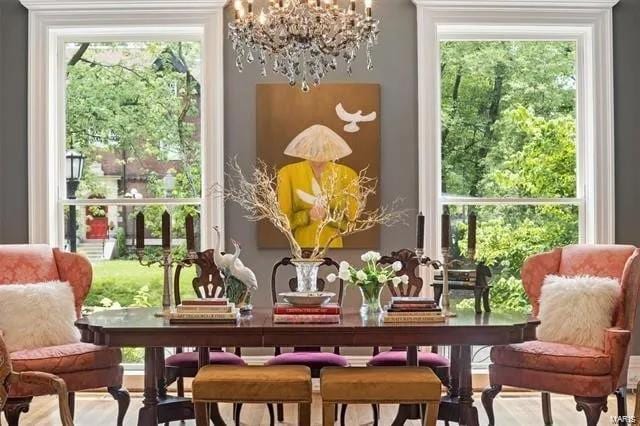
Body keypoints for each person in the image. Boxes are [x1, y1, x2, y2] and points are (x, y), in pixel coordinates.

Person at [277, 124, 359, 249]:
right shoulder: (287, 173)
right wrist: (307, 215)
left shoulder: (348, 175)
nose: (319, 151)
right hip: (301, 248)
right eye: (314, 146)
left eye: (323, 146)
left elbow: (352, 223)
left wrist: (328, 216)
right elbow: (283, 220)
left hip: (334, 248)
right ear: (305, 146)